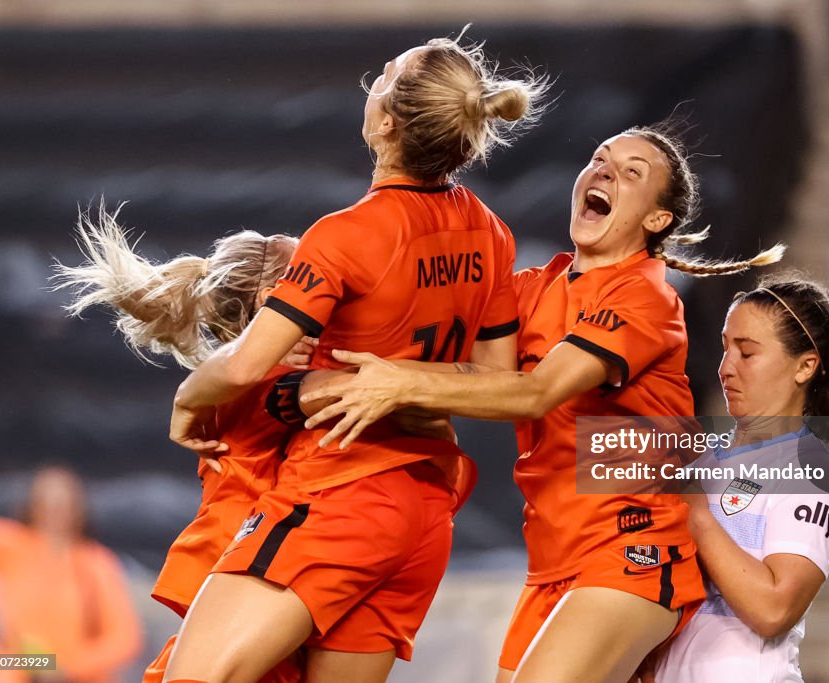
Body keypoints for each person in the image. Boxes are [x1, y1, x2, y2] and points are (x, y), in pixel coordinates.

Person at [300, 124, 784, 683]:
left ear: (657, 220)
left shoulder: (644, 296)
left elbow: (534, 394)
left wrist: (398, 383)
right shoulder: (533, 287)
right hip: (552, 563)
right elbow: (464, 369)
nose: (605, 171)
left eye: (632, 173)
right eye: (600, 158)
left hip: (632, 548)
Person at [164, 33, 547, 683]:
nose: (374, 78)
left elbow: (242, 368)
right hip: (426, 512)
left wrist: (185, 403)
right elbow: (499, 380)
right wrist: (408, 382)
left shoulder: (347, 235)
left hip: (340, 493)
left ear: (388, 121)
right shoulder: (491, 229)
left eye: (386, 73)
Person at [52, 206, 309, 683]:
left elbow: (117, 641)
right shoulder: (257, 373)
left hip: (258, 559)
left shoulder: (241, 372)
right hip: (254, 563)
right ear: (274, 297)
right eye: (311, 277)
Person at [652, 276, 829, 681]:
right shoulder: (698, 462)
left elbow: (773, 610)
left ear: (804, 366)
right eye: (725, 348)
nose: (726, 368)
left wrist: (697, 516)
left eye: (746, 353)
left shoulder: (811, 473)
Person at [0, 466, 143, 683]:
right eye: (46, 502)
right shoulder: (14, 546)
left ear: (78, 508)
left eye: (62, 504)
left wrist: (65, 668)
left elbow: (124, 639)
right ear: (33, 505)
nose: (54, 511)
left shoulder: (96, 563)